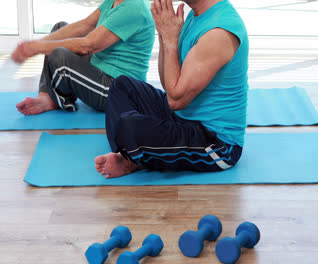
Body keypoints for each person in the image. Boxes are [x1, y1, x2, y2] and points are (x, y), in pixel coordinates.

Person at [95, 0, 249, 178]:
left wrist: (170, 39)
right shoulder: (197, 14)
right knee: (122, 85)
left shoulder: (219, 31)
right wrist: (163, 35)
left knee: (130, 126)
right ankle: (131, 154)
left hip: (215, 143)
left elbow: (176, 100)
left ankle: (134, 154)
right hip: (182, 116)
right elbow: (169, 84)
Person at [11, 0, 155, 115]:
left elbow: (88, 45)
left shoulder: (134, 7)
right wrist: (38, 43)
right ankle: (47, 96)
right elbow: (84, 25)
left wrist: (36, 48)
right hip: (100, 69)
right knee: (59, 28)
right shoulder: (115, 1)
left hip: (119, 91)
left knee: (59, 54)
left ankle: (58, 98)